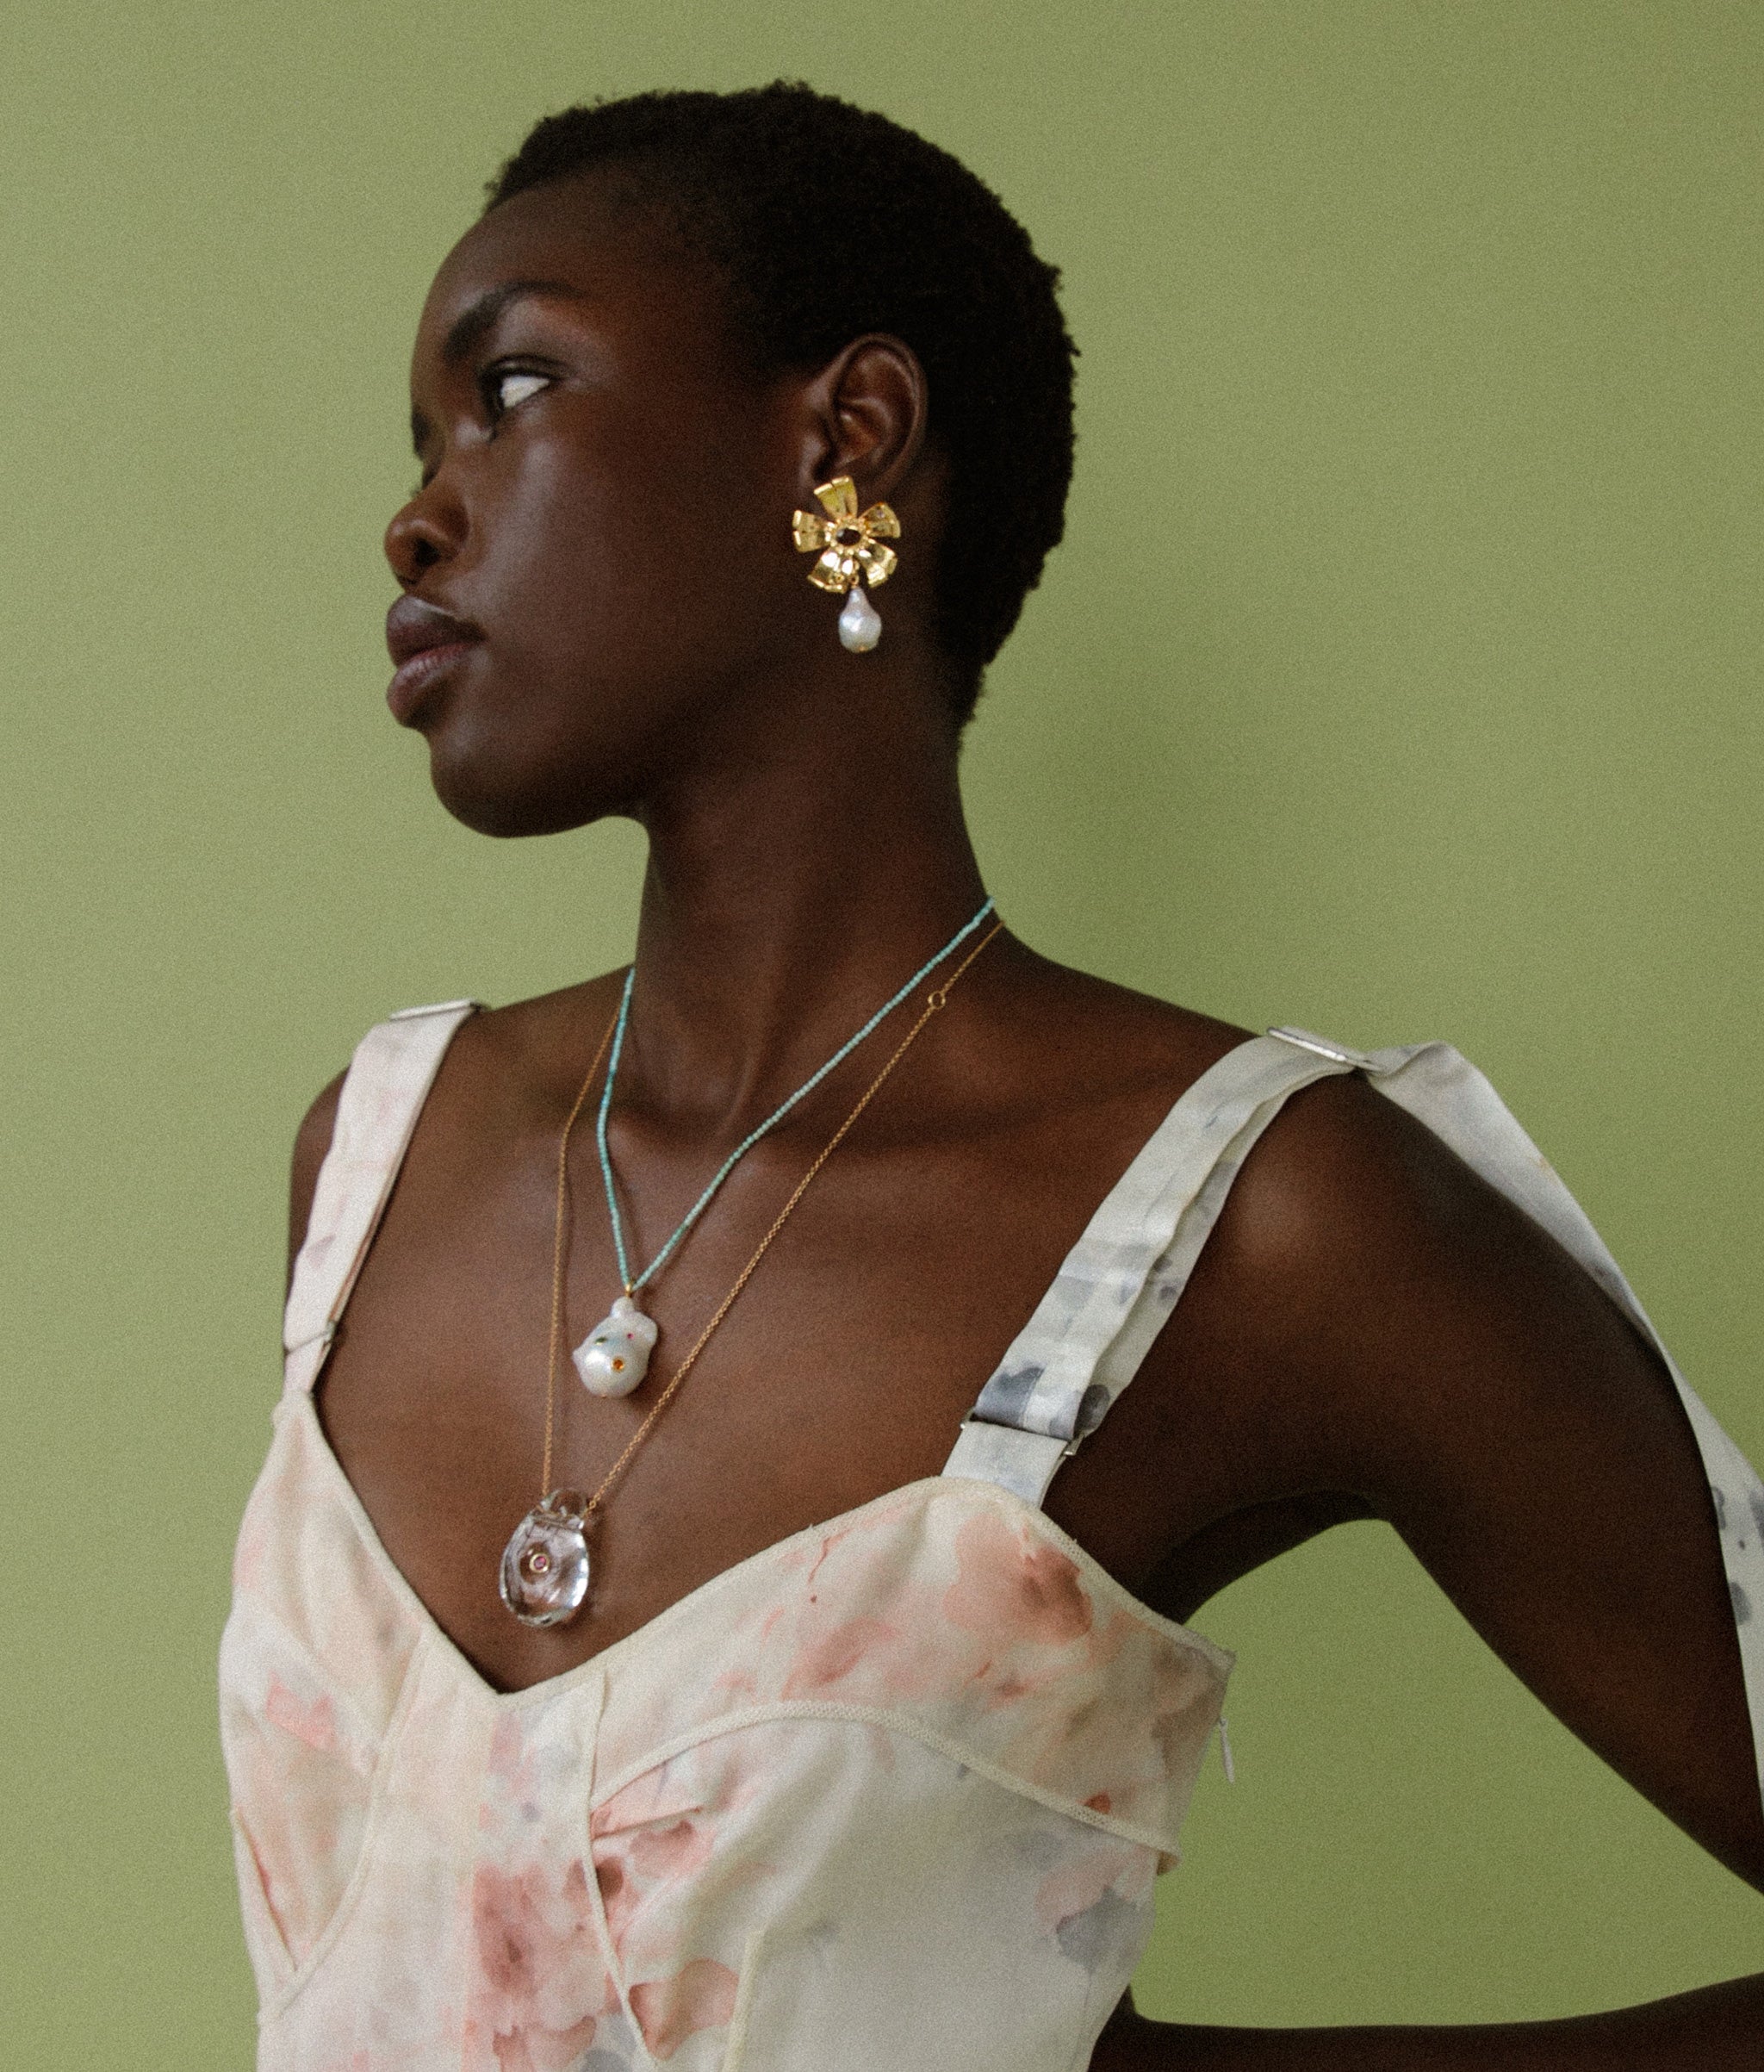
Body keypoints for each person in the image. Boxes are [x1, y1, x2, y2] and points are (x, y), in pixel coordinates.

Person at [220, 82, 1764, 2070]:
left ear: (845, 436)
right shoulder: (380, 1157)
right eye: (424, 441)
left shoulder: (1265, 1215)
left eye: (510, 389)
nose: (420, 512)